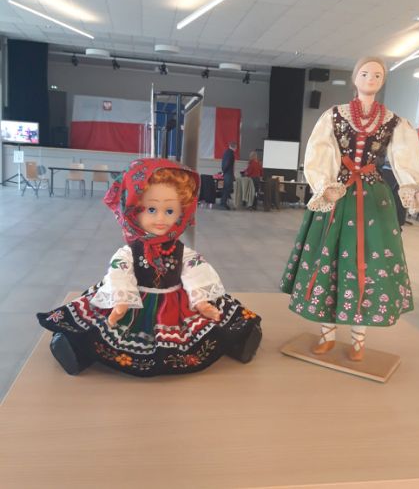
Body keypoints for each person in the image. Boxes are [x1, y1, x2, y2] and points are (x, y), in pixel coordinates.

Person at [37, 158, 262, 376]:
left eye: (170, 211)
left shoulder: (181, 251)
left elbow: (195, 271)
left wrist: (200, 300)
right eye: (151, 210)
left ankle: (241, 342)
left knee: (216, 322)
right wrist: (121, 301)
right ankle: (74, 349)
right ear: (133, 210)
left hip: (176, 302)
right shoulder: (129, 252)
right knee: (101, 329)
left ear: (182, 212)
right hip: (135, 302)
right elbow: (119, 272)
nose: (161, 219)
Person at [280, 56, 419, 361]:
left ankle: (358, 340)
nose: (370, 79)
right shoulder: (334, 116)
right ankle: (327, 334)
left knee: (368, 264)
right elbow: (320, 151)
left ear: (383, 80)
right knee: (329, 259)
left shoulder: (394, 121)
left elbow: (405, 156)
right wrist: (325, 185)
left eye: (377, 75)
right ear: (355, 78)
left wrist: (415, 187)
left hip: (373, 198)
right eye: (365, 73)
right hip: (338, 193)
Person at [220, 141, 237, 210]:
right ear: (235, 147)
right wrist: (224, 171)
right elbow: (227, 164)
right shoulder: (231, 154)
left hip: (226, 173)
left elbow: (224, 163)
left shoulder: (226, 152)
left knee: (226, 188)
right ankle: (224, 203)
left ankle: (223, 202)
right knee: (227, 189)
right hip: (228, 174)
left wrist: (223, 171)